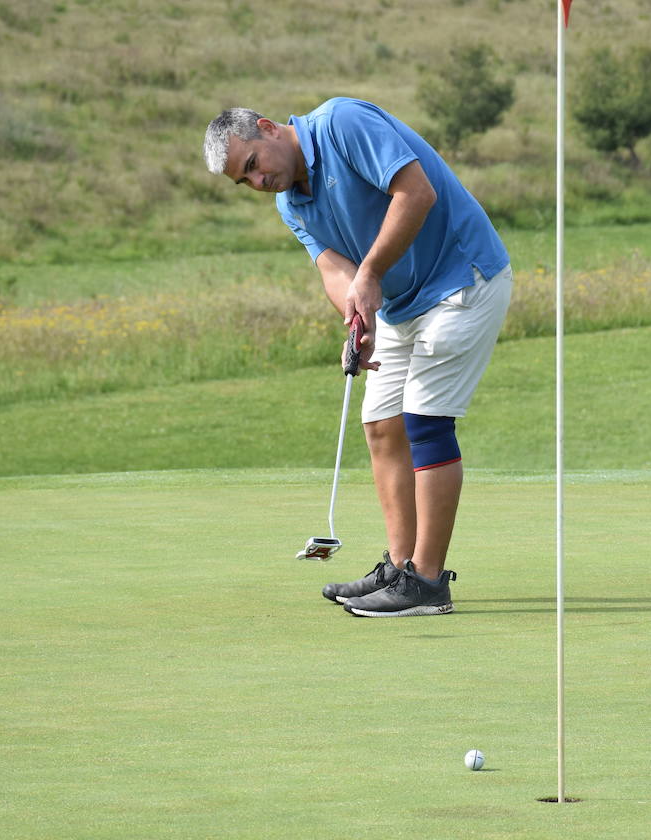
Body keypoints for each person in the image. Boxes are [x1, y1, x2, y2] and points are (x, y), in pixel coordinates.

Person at [202, 98, 512, 618]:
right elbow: (333, 268)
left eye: (253, 164)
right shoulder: (291, 204)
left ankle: (429, 583)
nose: (258, 183)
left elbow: (416, 193)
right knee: (380, 423)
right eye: (244, 182)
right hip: (402, 305)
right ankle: (399, 565)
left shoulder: (343, 124)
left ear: (267, 128)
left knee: (426, 421)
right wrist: (358, 317)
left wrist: (369, 276)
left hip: (463, 277)